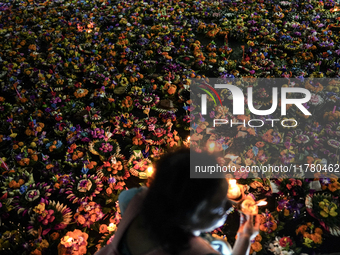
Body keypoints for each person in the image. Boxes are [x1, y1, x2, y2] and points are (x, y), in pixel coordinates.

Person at [96, 147, 260, 255]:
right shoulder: (200, 252)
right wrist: (244, 238)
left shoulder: (135, 199)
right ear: (192, 215)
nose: (231, 205)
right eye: (220, 205)